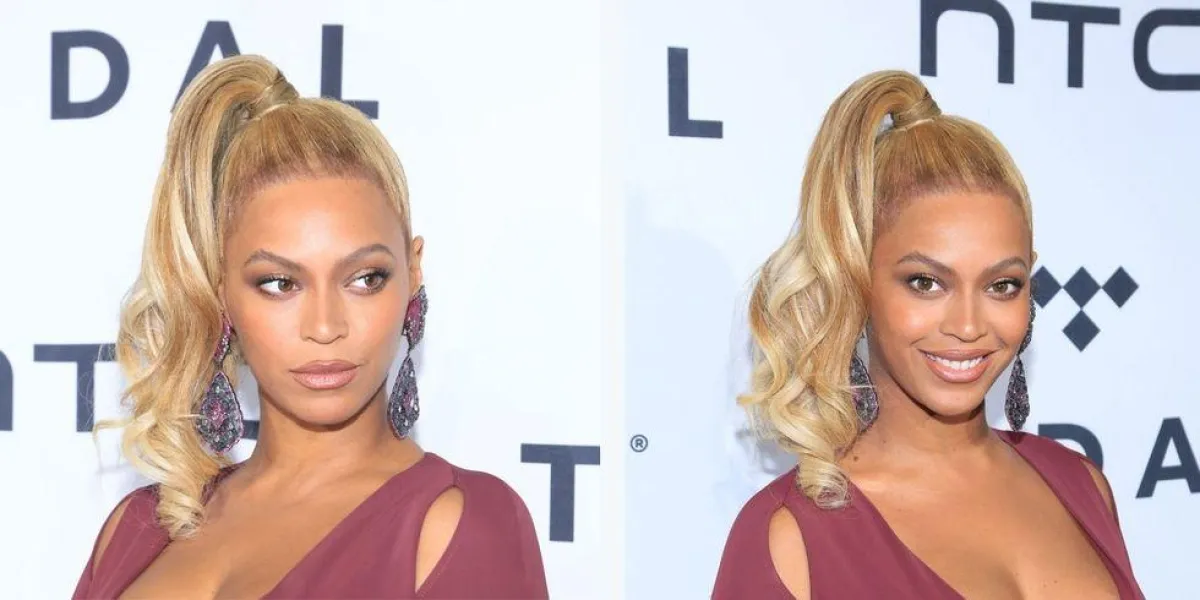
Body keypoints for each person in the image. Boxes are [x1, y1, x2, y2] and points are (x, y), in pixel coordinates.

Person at [73, 55, 548, 599]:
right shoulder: (135, 528)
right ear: (219, 290)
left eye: (365, 278)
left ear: (412, 273)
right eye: (280, 283)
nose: (325, 326)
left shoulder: (455, 527)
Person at [712, 70, 1143, 599]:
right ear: (857, 283)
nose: (968, 326)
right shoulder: (791, 540)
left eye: (1002, 285)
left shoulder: (1081, 483)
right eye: (925, 282)